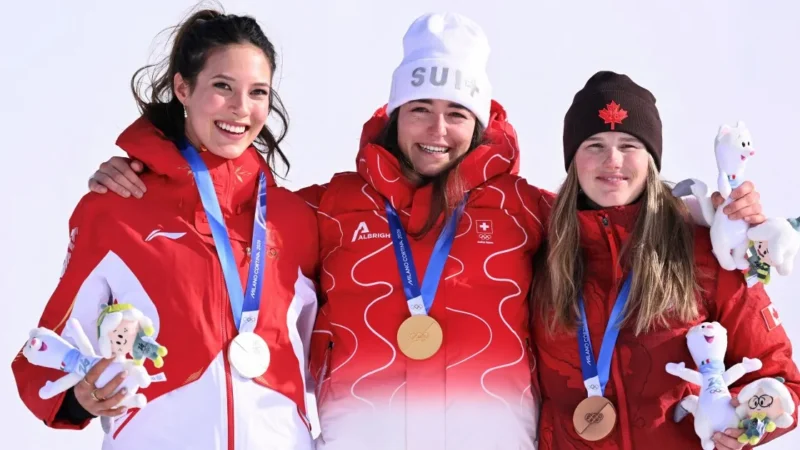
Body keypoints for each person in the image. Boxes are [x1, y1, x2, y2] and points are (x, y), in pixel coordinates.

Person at [83, 13, 766, 450]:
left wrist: (707, 211)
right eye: (420, 110)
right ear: (394, 113)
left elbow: (611, 216)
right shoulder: (327, 208)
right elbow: (234, 221)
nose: (437, 131)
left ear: (479, 122)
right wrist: (154, 167)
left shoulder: (527, 210)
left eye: (455, 114)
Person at [12, 9, 320, 450]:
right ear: (182, 88)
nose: (240, 108)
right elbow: (44, 355)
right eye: (222, 87)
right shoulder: (117, 209)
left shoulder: (296, 219)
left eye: (258, 92)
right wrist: (83, 397)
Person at [530, 71, 800, 450]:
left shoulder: (705, 252)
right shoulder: (537, 251)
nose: (612, 160)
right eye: (594, 144)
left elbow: (782, 382)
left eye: (629, 144)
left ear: (651, 159)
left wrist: (745, 422)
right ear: (572, 159)